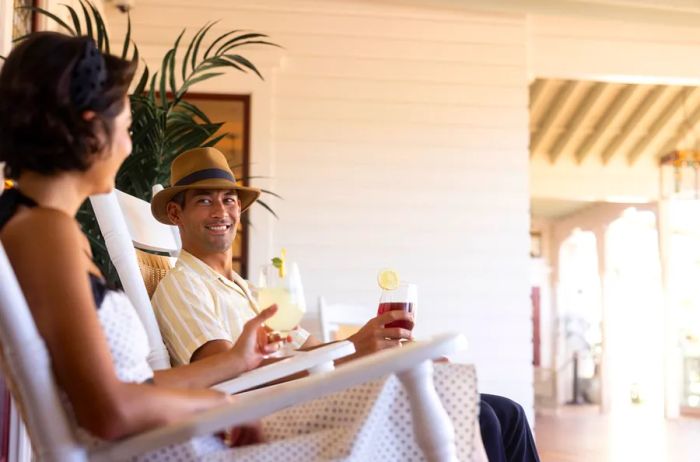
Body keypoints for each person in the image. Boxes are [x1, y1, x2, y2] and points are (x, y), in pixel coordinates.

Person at [0, 32, 483, 461]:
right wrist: (218, 403)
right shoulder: (45, 233)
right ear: (90, 129)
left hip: (173, 434)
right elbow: (109, 411)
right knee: (419, 411)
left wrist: (233, 365)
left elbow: (127, 391)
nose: (127, 145)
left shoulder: (43, 229)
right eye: (125, 127)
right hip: (174, 447)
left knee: (419, 402)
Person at [151, 147, 541, 462]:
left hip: (304, 395)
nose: (222, 212)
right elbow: (225, 376)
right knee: (482, 416)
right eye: (204, 201)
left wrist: (382, 353)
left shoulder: (249, 289)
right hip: (271, 414)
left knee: (509, 413)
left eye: (229, 199)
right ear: (175, 213)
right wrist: (358, 350)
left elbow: (310, 354)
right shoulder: (182, 286)